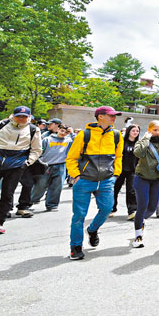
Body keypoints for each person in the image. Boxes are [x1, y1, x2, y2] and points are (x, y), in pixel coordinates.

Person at [66, 106, 124, 260]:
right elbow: (71, 158)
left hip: (106, 181)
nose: (114, 118)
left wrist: (116, 174)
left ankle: (92, 230)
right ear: (100, 117)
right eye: (111, 115)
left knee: (106, 209)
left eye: (115, 115)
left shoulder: (117, 135)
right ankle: (76, 246)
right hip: (84, 180)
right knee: (79, 215)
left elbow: (118, 157)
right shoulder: (84, 135)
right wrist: (76, 176)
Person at [0, 106, 42, 235]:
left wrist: (27, 162)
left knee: (7, 194)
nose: (21, 118)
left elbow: (36, 149)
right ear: (13, 115)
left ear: (29, 117)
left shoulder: (33, 130)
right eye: (18, 116)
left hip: (16, 165)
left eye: (24, 116)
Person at [131, 120, 159, 248]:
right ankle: (138, 235)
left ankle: (140, 221)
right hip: (142, 177)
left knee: (152, 207)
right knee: (142, 205)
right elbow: (138, 153)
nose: (158, 133)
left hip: (158, 178)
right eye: (155, 130)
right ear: (149, 130)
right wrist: (146, 139)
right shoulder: (143, 141)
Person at [30, 124, 72, 211]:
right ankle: (31, 201)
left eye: (66, 132)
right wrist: (40, 161)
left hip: (61, 164)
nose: (63, 133)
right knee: (40, 185)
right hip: (46, 165)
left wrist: (72, 133)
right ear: (58, 130)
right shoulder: (47, 139)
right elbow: (40, 150)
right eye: (62, 130)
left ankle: (52, 204)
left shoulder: (69, 141)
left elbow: (77, 143)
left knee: (57, 186)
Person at [112, 124, 140, 218]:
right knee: (115, 189)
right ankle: (112, 208)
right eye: (133, 130)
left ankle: (132, 211)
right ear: (129, 131)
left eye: (137, 131)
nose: (135, 132)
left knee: (132, 190)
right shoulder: (121, 142)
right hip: (120, 169)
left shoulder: (139, 144)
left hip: (133, 170)